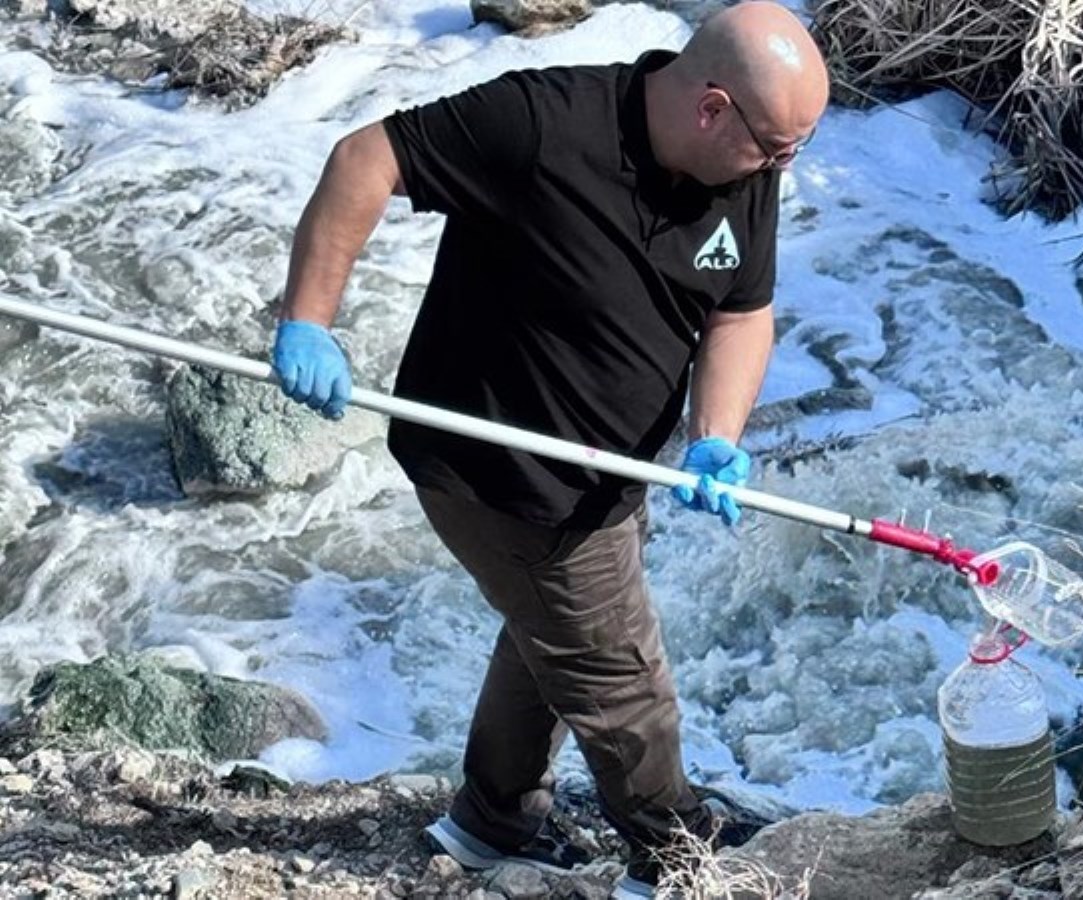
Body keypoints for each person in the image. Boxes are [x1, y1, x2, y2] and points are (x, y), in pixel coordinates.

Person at [269, 2, 830, 896]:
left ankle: (491, 821)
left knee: (552, 633)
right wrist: (309, 321)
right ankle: (672, 856)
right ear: (712, 107)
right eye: (775, 147)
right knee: (620, 676)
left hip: (613, 471)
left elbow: (741, 310)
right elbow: (365, 159)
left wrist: (714, 435)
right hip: (505, 472)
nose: (782, 167)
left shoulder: (745, 166)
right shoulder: (540, 124)